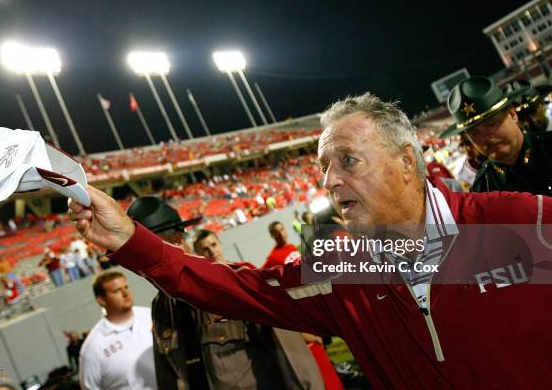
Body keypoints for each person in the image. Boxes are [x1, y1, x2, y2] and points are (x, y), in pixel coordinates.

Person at [69, 93, 552, 388]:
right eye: (324, 167)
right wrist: (132, 239)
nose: (330, 181)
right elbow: (236, 289)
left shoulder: (521, 220)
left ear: (408, 161)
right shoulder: (343, 265)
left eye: (348, 160)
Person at [127, 197, 324, 390]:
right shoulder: (161, 308)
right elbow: (168, 379)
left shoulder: (232, 282)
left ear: (176, 241)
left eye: (147, 258)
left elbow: (293, 362)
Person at [193, 228, 338, 390]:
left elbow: (276, 316)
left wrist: (300, 333)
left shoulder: (245, 273)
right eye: (205, 249)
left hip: (270, 367)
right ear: (197, 253)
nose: (211, 251)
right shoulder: (200, 293)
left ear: (220, 244)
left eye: (214, 245)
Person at [441, 76, 552, 195]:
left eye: (491, 124)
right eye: (474, 134)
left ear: (512, 114)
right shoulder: (483, 189)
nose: (486, 138)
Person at [79, 271, 156, 390]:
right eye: (117, 291)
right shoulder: (93, 347)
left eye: (126, 287)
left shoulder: (151, 315)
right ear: (101, 300)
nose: (125, 293)